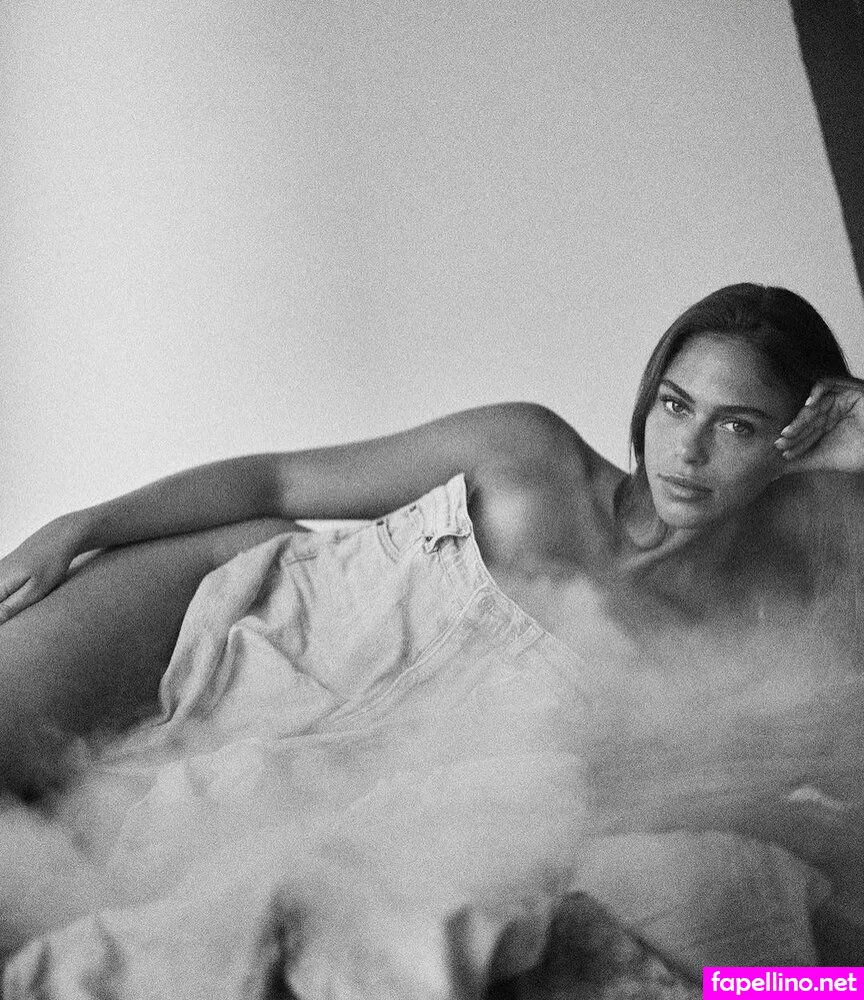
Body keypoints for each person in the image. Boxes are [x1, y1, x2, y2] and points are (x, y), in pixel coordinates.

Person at [0, 282, 862, 771]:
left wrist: (855, 468)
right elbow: (277, 479)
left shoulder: (723, 653)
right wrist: (81, 525)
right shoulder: (528, 452)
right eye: (675, 405)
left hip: (277, 781)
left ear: (796, 448)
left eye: (738, 426)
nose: (688, 448)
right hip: (224, 610)